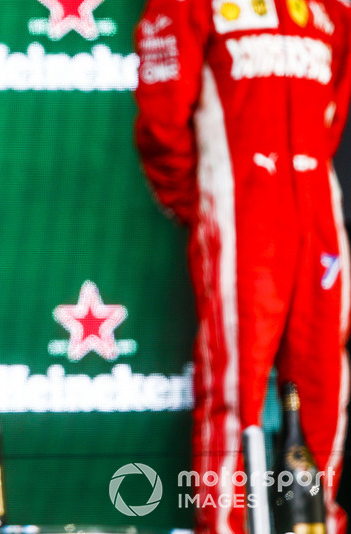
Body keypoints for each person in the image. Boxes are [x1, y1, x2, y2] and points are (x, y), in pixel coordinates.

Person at [134, 1, 351, 533]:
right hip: (241, 216)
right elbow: (162, 120)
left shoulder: (333, 9)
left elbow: (335, 110)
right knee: (233, 389)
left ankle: (316, 521)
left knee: (325, 382)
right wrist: (201, 204)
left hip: (318, 215)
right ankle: (224, 526)